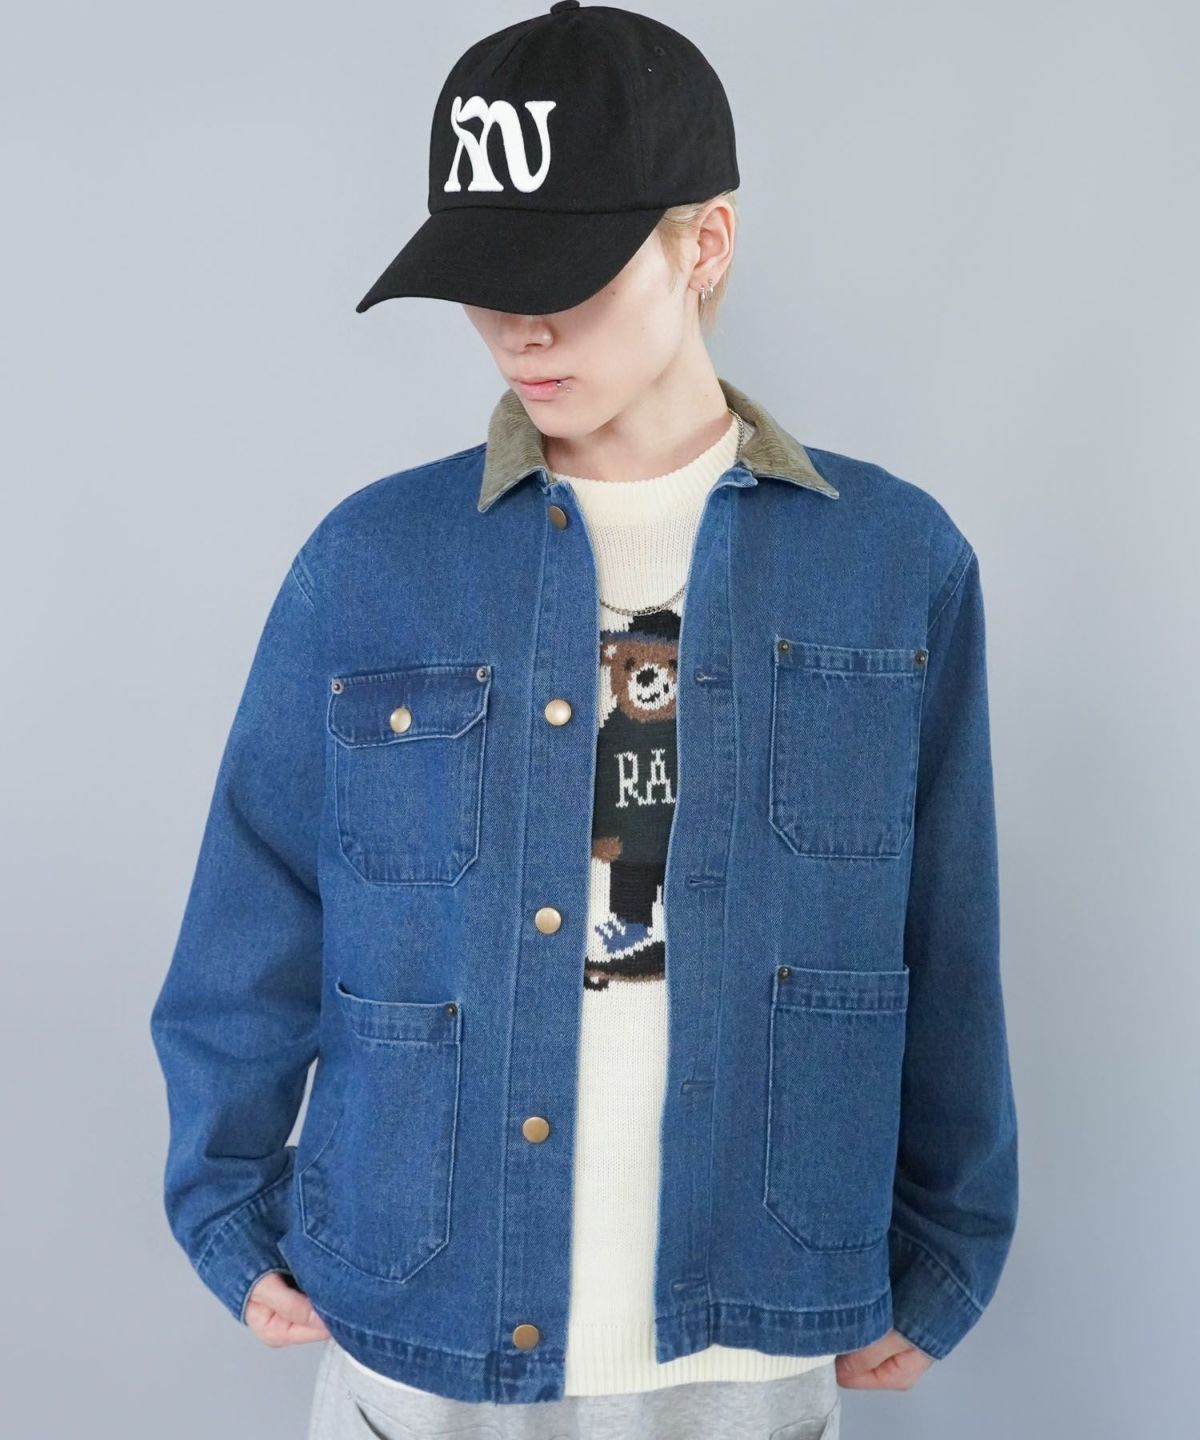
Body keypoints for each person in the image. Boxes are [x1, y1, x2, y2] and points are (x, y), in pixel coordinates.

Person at [149, 5, 1018, 1438]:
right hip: (424, 1323)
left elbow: (949, 933)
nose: (521, 328)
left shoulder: (892, 565)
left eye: (565, 276)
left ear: (705, 246)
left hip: (746, 1336)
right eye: (485, 282)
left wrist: (948, 1246)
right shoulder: (372, 564)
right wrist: (228, 1207)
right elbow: (257, 907)